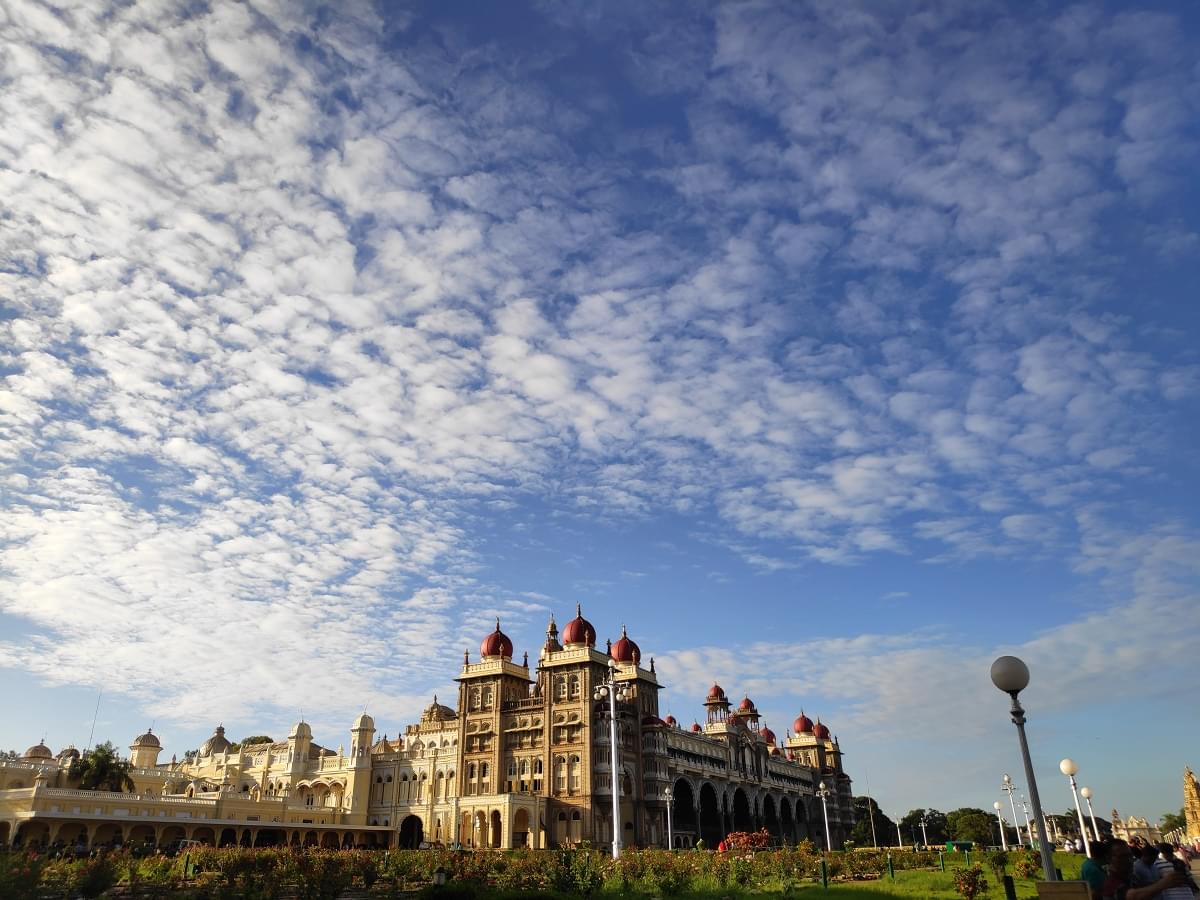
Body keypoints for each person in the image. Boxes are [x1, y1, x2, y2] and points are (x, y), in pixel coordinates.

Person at [1103, 839, 1189, 900]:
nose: (1129, 860)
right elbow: (1133, 896)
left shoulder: (1131, 877)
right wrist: (1163, 884)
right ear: (1108, 858)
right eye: (1122, 856)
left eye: (1130, 856)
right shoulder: (1110, 882)